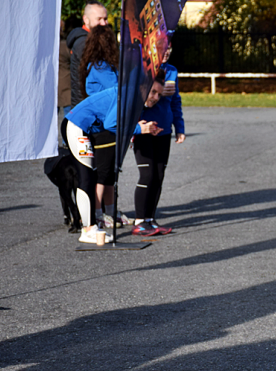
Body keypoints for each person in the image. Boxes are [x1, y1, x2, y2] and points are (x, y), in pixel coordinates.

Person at [64, 80, 163, 244]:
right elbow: (110, 124)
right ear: (143, 87)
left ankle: (91, 226)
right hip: (76, 126)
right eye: (153, 92)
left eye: (159, 94)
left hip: (83, 128)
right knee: (87, 178)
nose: (156, 97)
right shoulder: (127, 95)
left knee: (90, 176)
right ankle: (88, 229)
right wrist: (139, 129)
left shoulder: (131, 93)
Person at [131, 45, 186, 237]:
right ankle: (139, 221)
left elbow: (176, 101)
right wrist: (135, 127)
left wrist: (179, 127)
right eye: (163, 47)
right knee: (147, 175)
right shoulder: (142, 69)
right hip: (145, 131)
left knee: (159, 175)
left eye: (170, 47)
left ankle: (150, 219)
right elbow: (133, 101)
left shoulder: (172, 71)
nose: (167, 51)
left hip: (164, 132)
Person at [78, 24, 128, 230]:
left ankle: (111, 210)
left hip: (108, 124)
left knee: (110, 174)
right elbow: (116, 89)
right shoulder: (100, 68)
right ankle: (98, 214)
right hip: (102, 127)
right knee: (103, 173)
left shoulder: (102, 66)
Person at [67, 1, 108, 108]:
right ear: (86, 20)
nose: (104, 23)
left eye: (105, 19)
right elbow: (102, 76)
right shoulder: (84, 43)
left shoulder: (94, 41)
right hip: (87, 108)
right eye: (99, 19)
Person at [58, 20, 72, 147]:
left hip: (52, 86)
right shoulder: (64, 46)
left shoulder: (45, 45)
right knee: (68, 116)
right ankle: (66, 141)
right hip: (66, 82)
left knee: (50, 118)